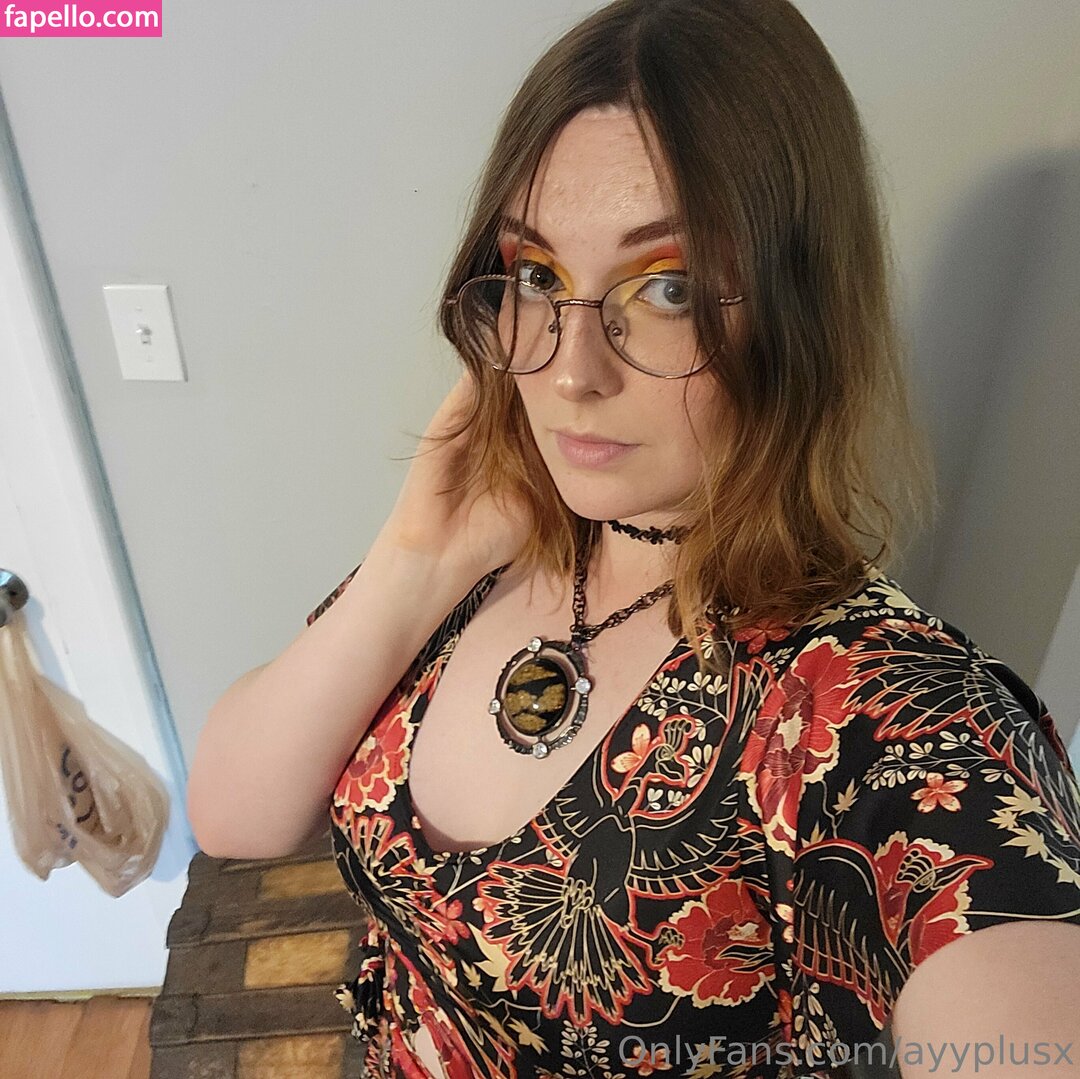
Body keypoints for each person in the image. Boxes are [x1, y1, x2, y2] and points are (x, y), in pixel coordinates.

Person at [187, 1, 1080, 1076]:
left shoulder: (876, 710)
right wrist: (417, 558)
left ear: (798, 312)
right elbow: (234, 814)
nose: (571, 371)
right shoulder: (475, 555)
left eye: (668, 287)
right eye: (538, 275)